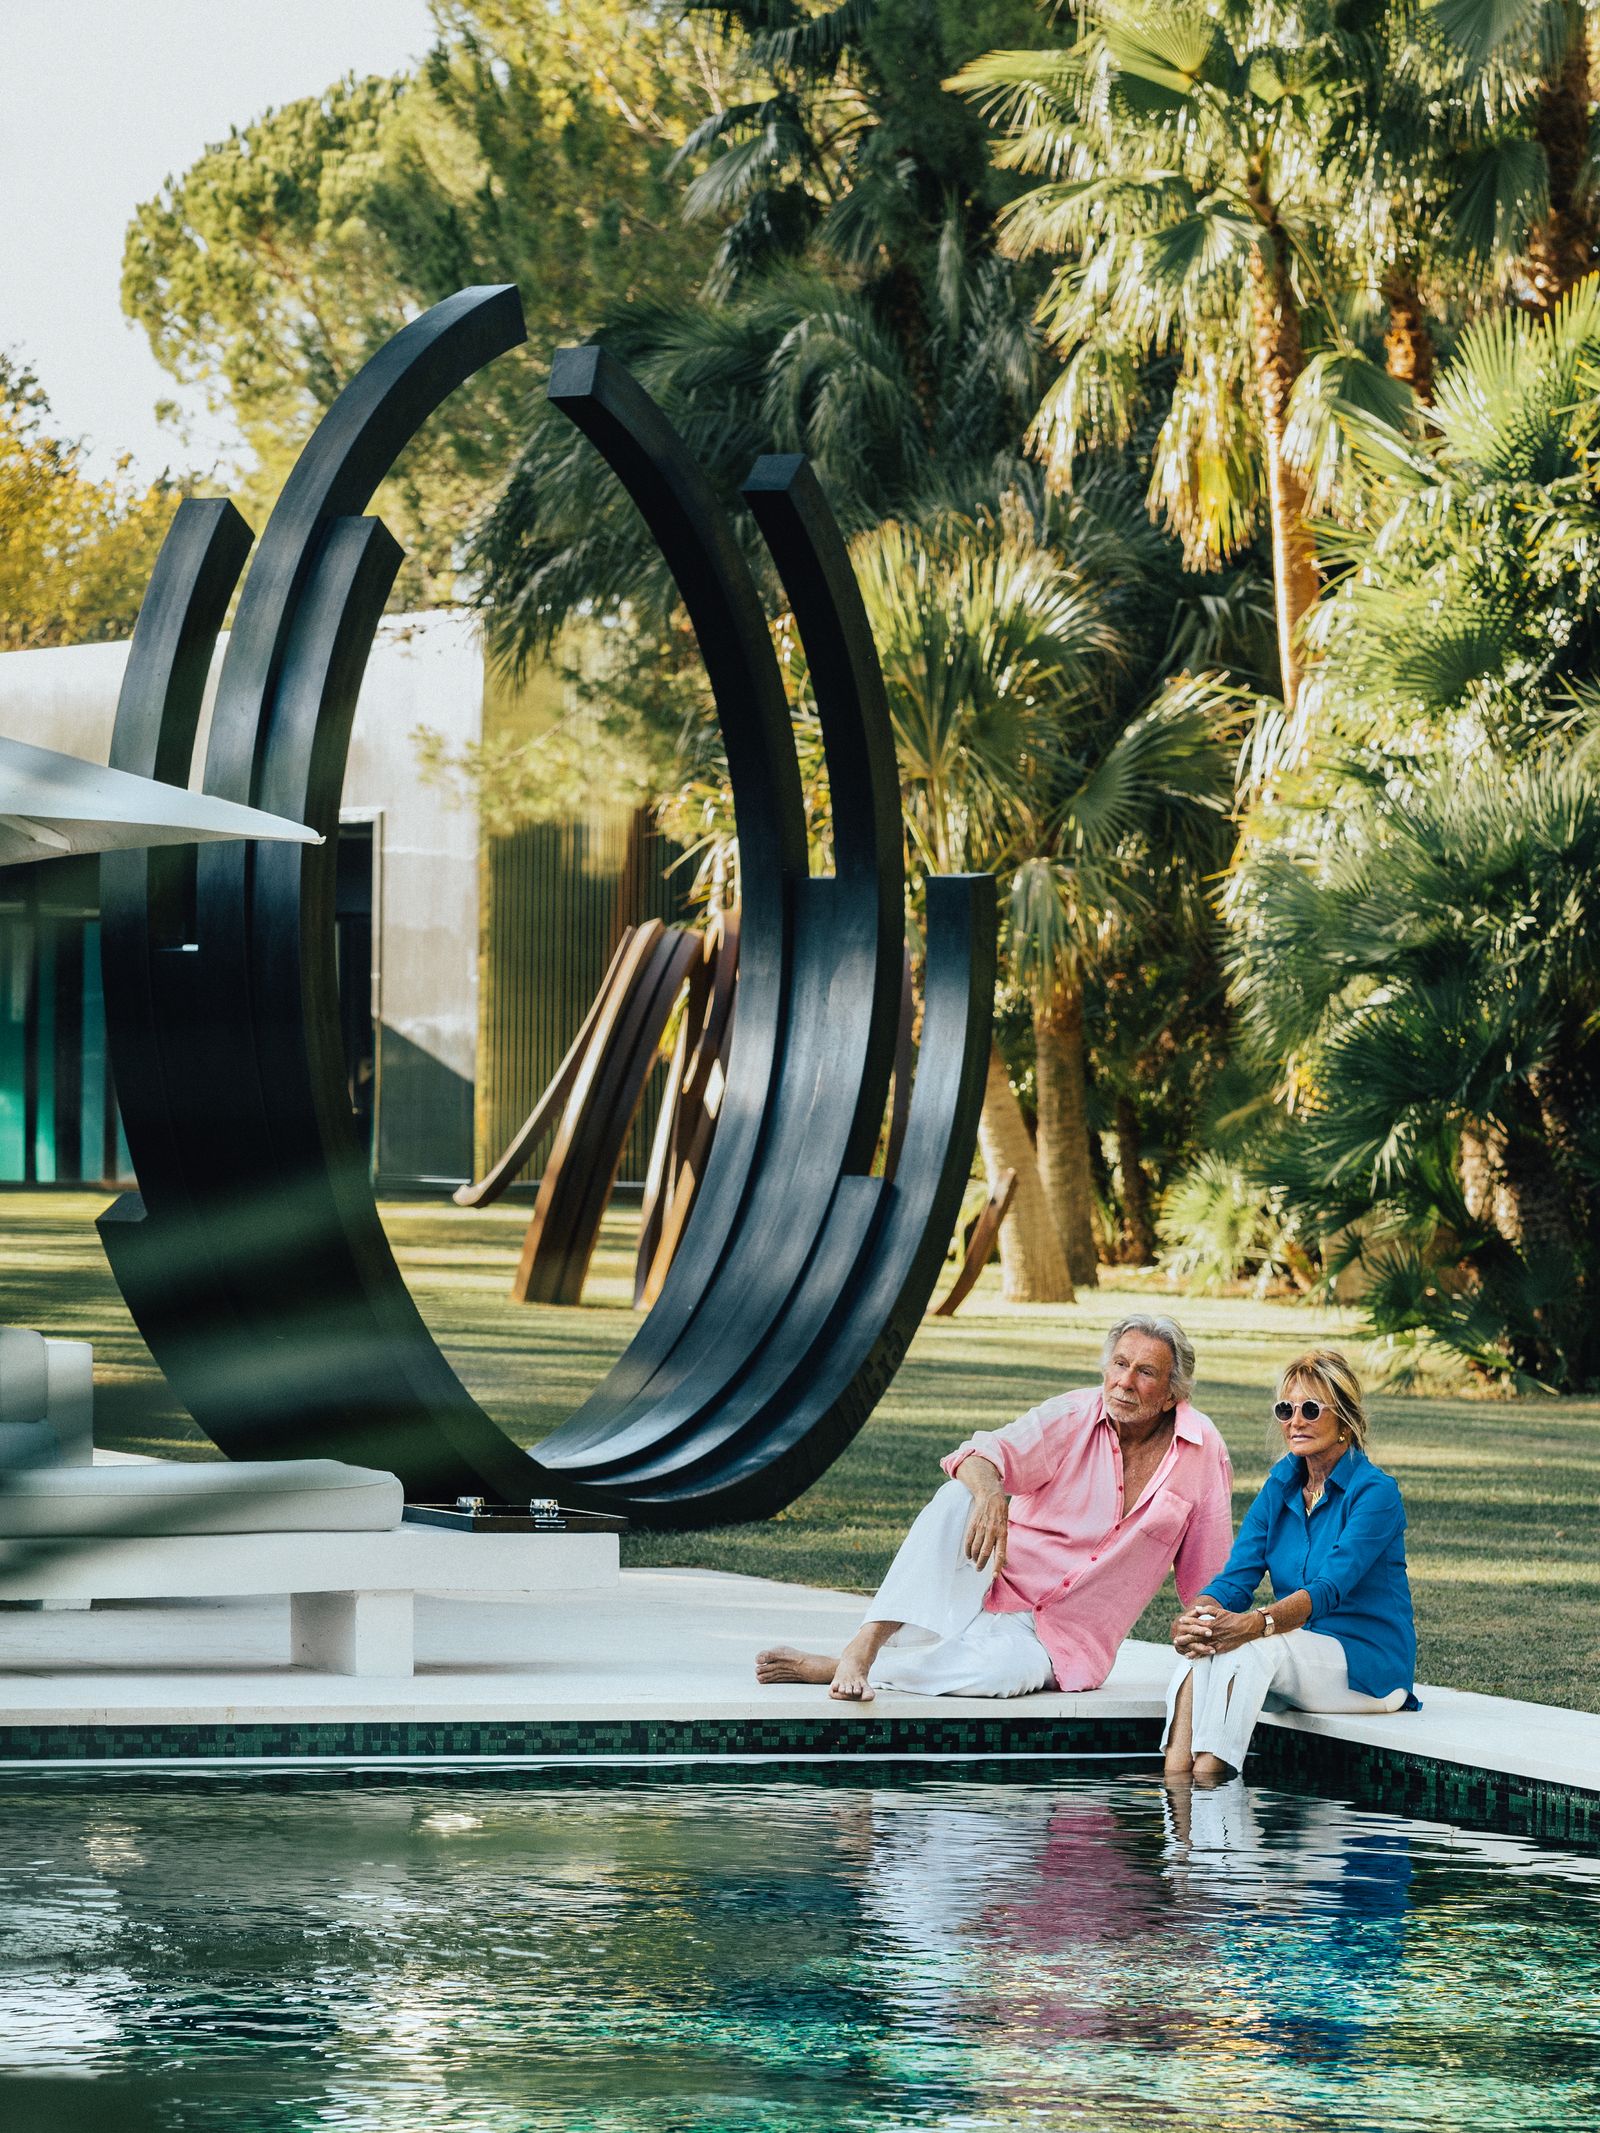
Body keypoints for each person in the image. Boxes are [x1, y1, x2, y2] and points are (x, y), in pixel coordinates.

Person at [756, 1314, 1234, 1701]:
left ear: (1174, 1394)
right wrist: (990, 1495)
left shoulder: (1201, 1451)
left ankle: (843, 1670)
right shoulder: (1072, 1415)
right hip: (987, 1580)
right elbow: (979, 1455)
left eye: (1144, 1372)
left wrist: (1213, 1631)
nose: (1124, 1382)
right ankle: (863, 1646)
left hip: (1061, 1639)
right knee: (958, 1494)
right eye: (1119, 1364)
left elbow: (1210, 1572)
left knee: (997, 1677)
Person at [1163, 1348, 1417, 1783]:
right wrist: (1198, 1617)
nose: (1295, 1420)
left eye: (1311, 1409)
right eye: (1286, 1409)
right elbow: (1236, 1577)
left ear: (1345, 1419)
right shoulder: (1281, 1485)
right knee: (1201, 1649)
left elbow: (1327, 1590)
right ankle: (1177, 1792)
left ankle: (1208, 1788)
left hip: (1368, 1666)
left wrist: (1256, 1623)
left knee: (1251, 1649)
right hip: (1303, 1655)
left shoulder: (1375, 1493)